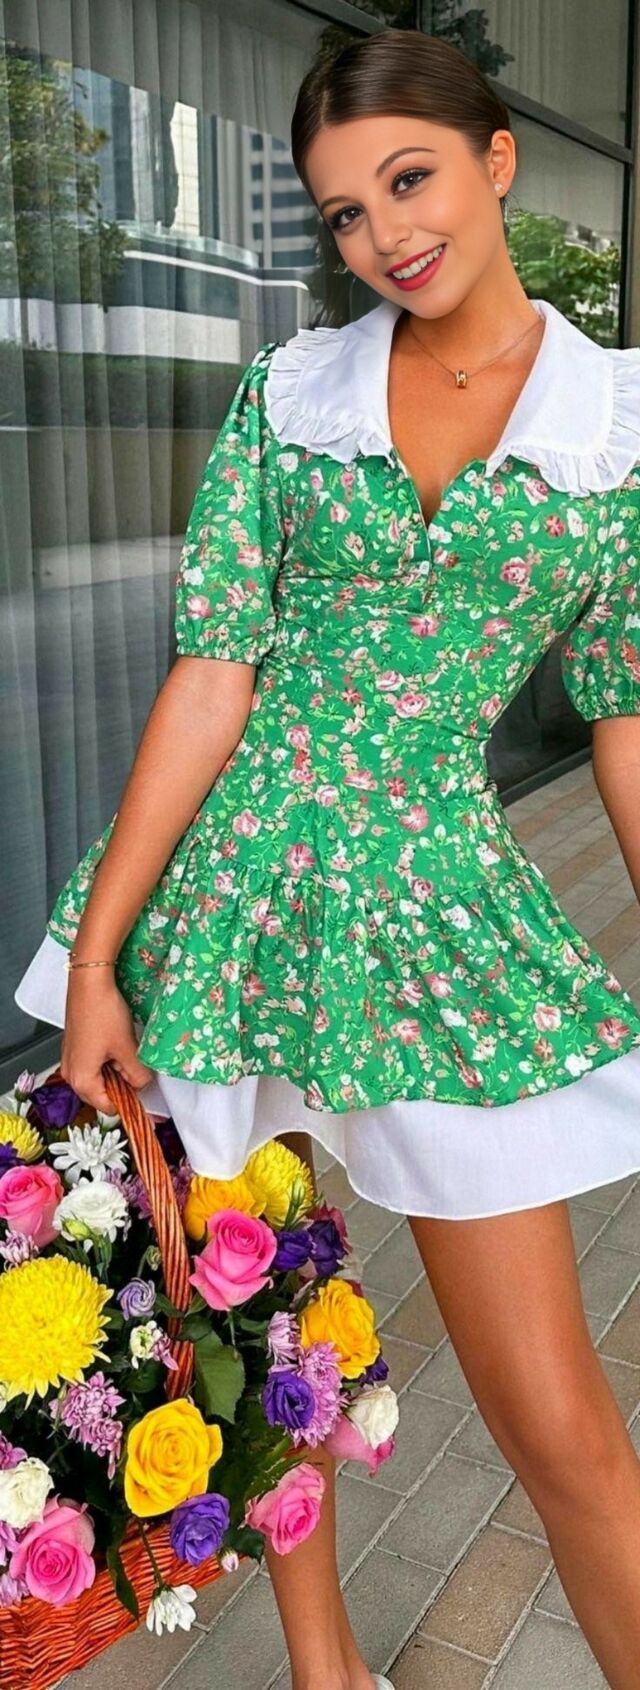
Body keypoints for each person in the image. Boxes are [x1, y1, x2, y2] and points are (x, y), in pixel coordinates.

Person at [13, 24, 640, 1690]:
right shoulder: (290, 395)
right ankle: (325, 1667)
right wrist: (99, 957)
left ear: (496, 159)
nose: (384, 235)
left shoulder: (619, 431)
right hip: (224, 909)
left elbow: (629, 718)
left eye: (409, 180)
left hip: (439, 926)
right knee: (255, 1317)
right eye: (346, 212)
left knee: (559, 1423)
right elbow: (212, 672)